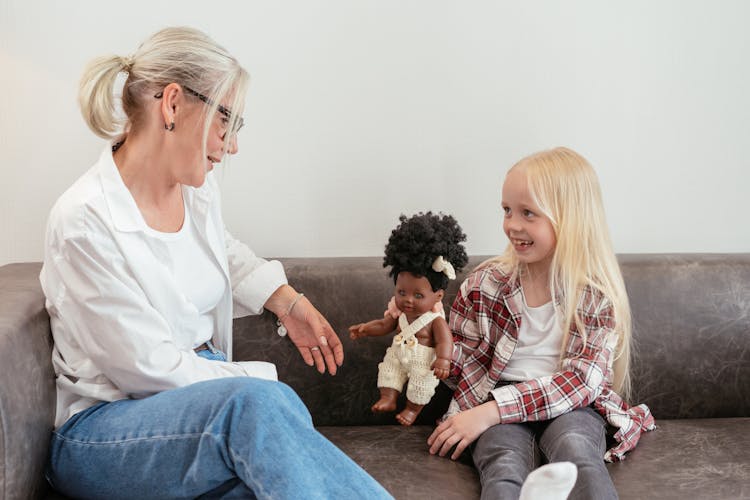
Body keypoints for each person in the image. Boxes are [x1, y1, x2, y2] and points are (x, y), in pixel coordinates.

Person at [39, 26, 392, 499]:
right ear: (172, 104)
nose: (232, 145)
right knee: (258, 408)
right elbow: (149, 369)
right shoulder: (83, 222)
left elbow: (223, 250)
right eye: (227, 121)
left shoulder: (197, 190)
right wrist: (257, 382)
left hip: (195, 417)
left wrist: (287, 301)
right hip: (104, 432)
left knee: (262, 484)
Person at [427, 147, 656, 500]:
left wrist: (492, 411)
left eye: (528, 213)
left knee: (578, 453)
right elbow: (462, 365)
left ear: (570, 218)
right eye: (507, 210)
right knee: (502, 464)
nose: (512, 225)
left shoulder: (595, 296)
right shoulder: (485, 283)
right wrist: (428, 331)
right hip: (493, 395)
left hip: (570, 403)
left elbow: (582, 381)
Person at [348, 212, 468, 425]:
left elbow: (445, 340)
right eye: (402, 292)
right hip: (398, 353)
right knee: (388, 371)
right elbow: (384, 325)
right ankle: (389, 397)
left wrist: (443, 359)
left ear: (437, 296)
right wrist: (366, 328)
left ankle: (412, 411)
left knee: (420, 388)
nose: (408, 300)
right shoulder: (399, 312)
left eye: (418, 295)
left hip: (424, 362)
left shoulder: (434, 319)